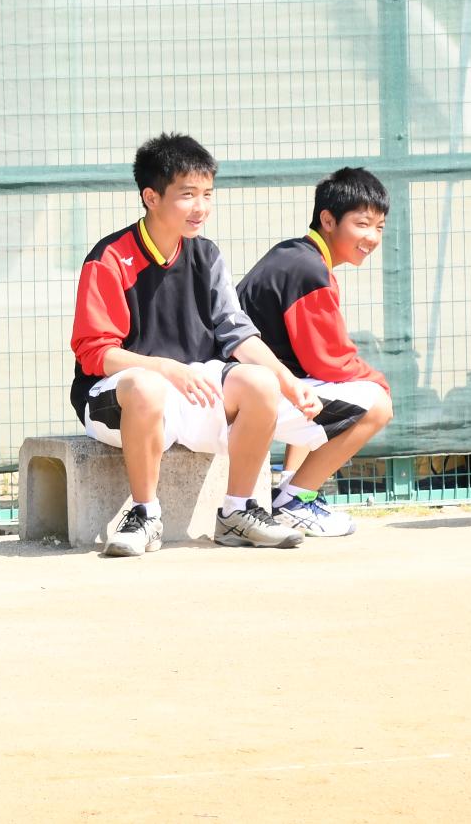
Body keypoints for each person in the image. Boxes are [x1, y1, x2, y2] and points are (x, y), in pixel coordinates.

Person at [70, 133, 321, 556]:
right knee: (146, 385)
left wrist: (288, 381)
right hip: (116, 399)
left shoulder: (206, 255)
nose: (201, 207)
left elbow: (237, 332)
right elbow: (96, 353)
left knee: (260, 383)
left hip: (189, 388)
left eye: (207, 193)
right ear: (151, 197)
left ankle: (238, 513)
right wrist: (164, 368)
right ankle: (145, 514)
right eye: (187, 195)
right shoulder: (109, 258)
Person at [236, 167, 396, 537]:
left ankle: (293, 486)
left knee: (318, 389)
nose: (372, 237)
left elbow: (310, 368)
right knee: (376, 404)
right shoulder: (308, 269)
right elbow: (328, 360)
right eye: (362, 224)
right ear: (328, 219)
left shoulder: (296, 255)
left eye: (380, 227)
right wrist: (377, 381)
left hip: (240, 387)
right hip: (243, 396)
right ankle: (296, 499)